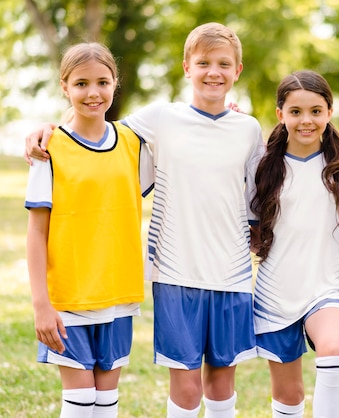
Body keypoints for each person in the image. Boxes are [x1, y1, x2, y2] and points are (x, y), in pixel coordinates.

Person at [25, 23, 264, 418]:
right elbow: (91, 131)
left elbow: (257, 197)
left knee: (222, 383)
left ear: (237, 70)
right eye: (203, 62)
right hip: (171, 274)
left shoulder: (248, 129)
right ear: (187, 67)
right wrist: (48, 129)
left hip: (230, 274)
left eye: (223, 64)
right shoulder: (159, 119)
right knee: (184, 389)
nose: (213, 72)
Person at [248, 70, 339, 418]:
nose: (306, 120)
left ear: (329, 111)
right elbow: (251, 236)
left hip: (330, 285)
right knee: (289, 396)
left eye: (315, 110)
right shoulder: (262, 166)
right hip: (275, 292)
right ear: (280, 114)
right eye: (295, 112)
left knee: (335, 348)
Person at [25, 42, 153, 418]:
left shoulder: (132, 143)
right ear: (65, 86)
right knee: (80, 403)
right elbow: (36, 233)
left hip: (118, 292)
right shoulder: (49, 150)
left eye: (102, 82)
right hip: (69, 297)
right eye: (81, 84)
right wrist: (41, 305)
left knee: (105, 403)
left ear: (115, 83)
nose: (93, 92)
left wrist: (227, 114)